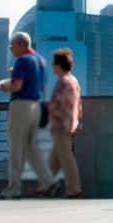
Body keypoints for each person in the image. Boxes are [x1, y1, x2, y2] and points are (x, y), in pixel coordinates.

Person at [0, 32, 52, 200]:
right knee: (31, 148)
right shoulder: (40, 61)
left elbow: (17, 86)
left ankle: (13, 189)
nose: (11, 49)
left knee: (16, 148)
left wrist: (4, 86)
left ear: (21, 44)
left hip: (21, 106)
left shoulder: (22, 61)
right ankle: (49, 182)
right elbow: (42, 85)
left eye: (12, 45)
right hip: (36, 106)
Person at [38, 47, 84, 198]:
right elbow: (78, 105)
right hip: (70, 124)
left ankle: (74, 189)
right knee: (56, 157)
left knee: (65, 157)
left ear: (58, 66)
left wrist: (50, 120)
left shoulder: (62, 82)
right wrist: (78, 122)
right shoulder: (74, 81)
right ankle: (47, 185)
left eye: (53, 64)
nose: (52, 67)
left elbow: (57, 105)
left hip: (61, 125)